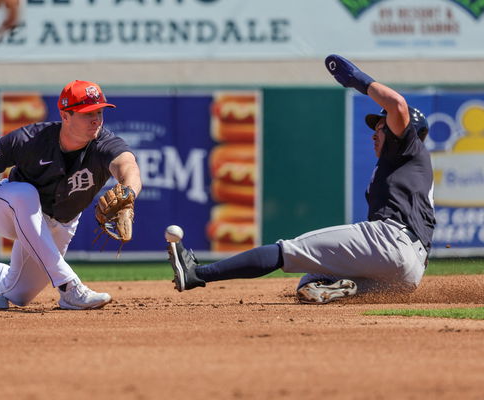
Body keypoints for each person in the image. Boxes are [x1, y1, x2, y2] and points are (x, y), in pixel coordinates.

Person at [167, 54, 435, 304]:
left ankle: (196, 274)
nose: (374, 133)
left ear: (401, 130)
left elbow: (397, 105)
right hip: (409, 274)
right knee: (310, 283)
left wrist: (357, 79)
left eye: (380, 126)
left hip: (389, 241)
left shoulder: (409, 147)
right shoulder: (405, 166)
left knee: (287, 251)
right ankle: (347, 289)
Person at [0, 80, 142, 310]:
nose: (96, 119)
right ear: (65, 115)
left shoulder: (105, 143)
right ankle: (69, 287)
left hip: (58, 224)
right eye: (87, 113)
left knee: (17, 293)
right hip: (9, 207)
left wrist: (129, 192)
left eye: (99, 111)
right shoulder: (30, 140)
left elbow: (128, 166)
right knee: (26, 193)